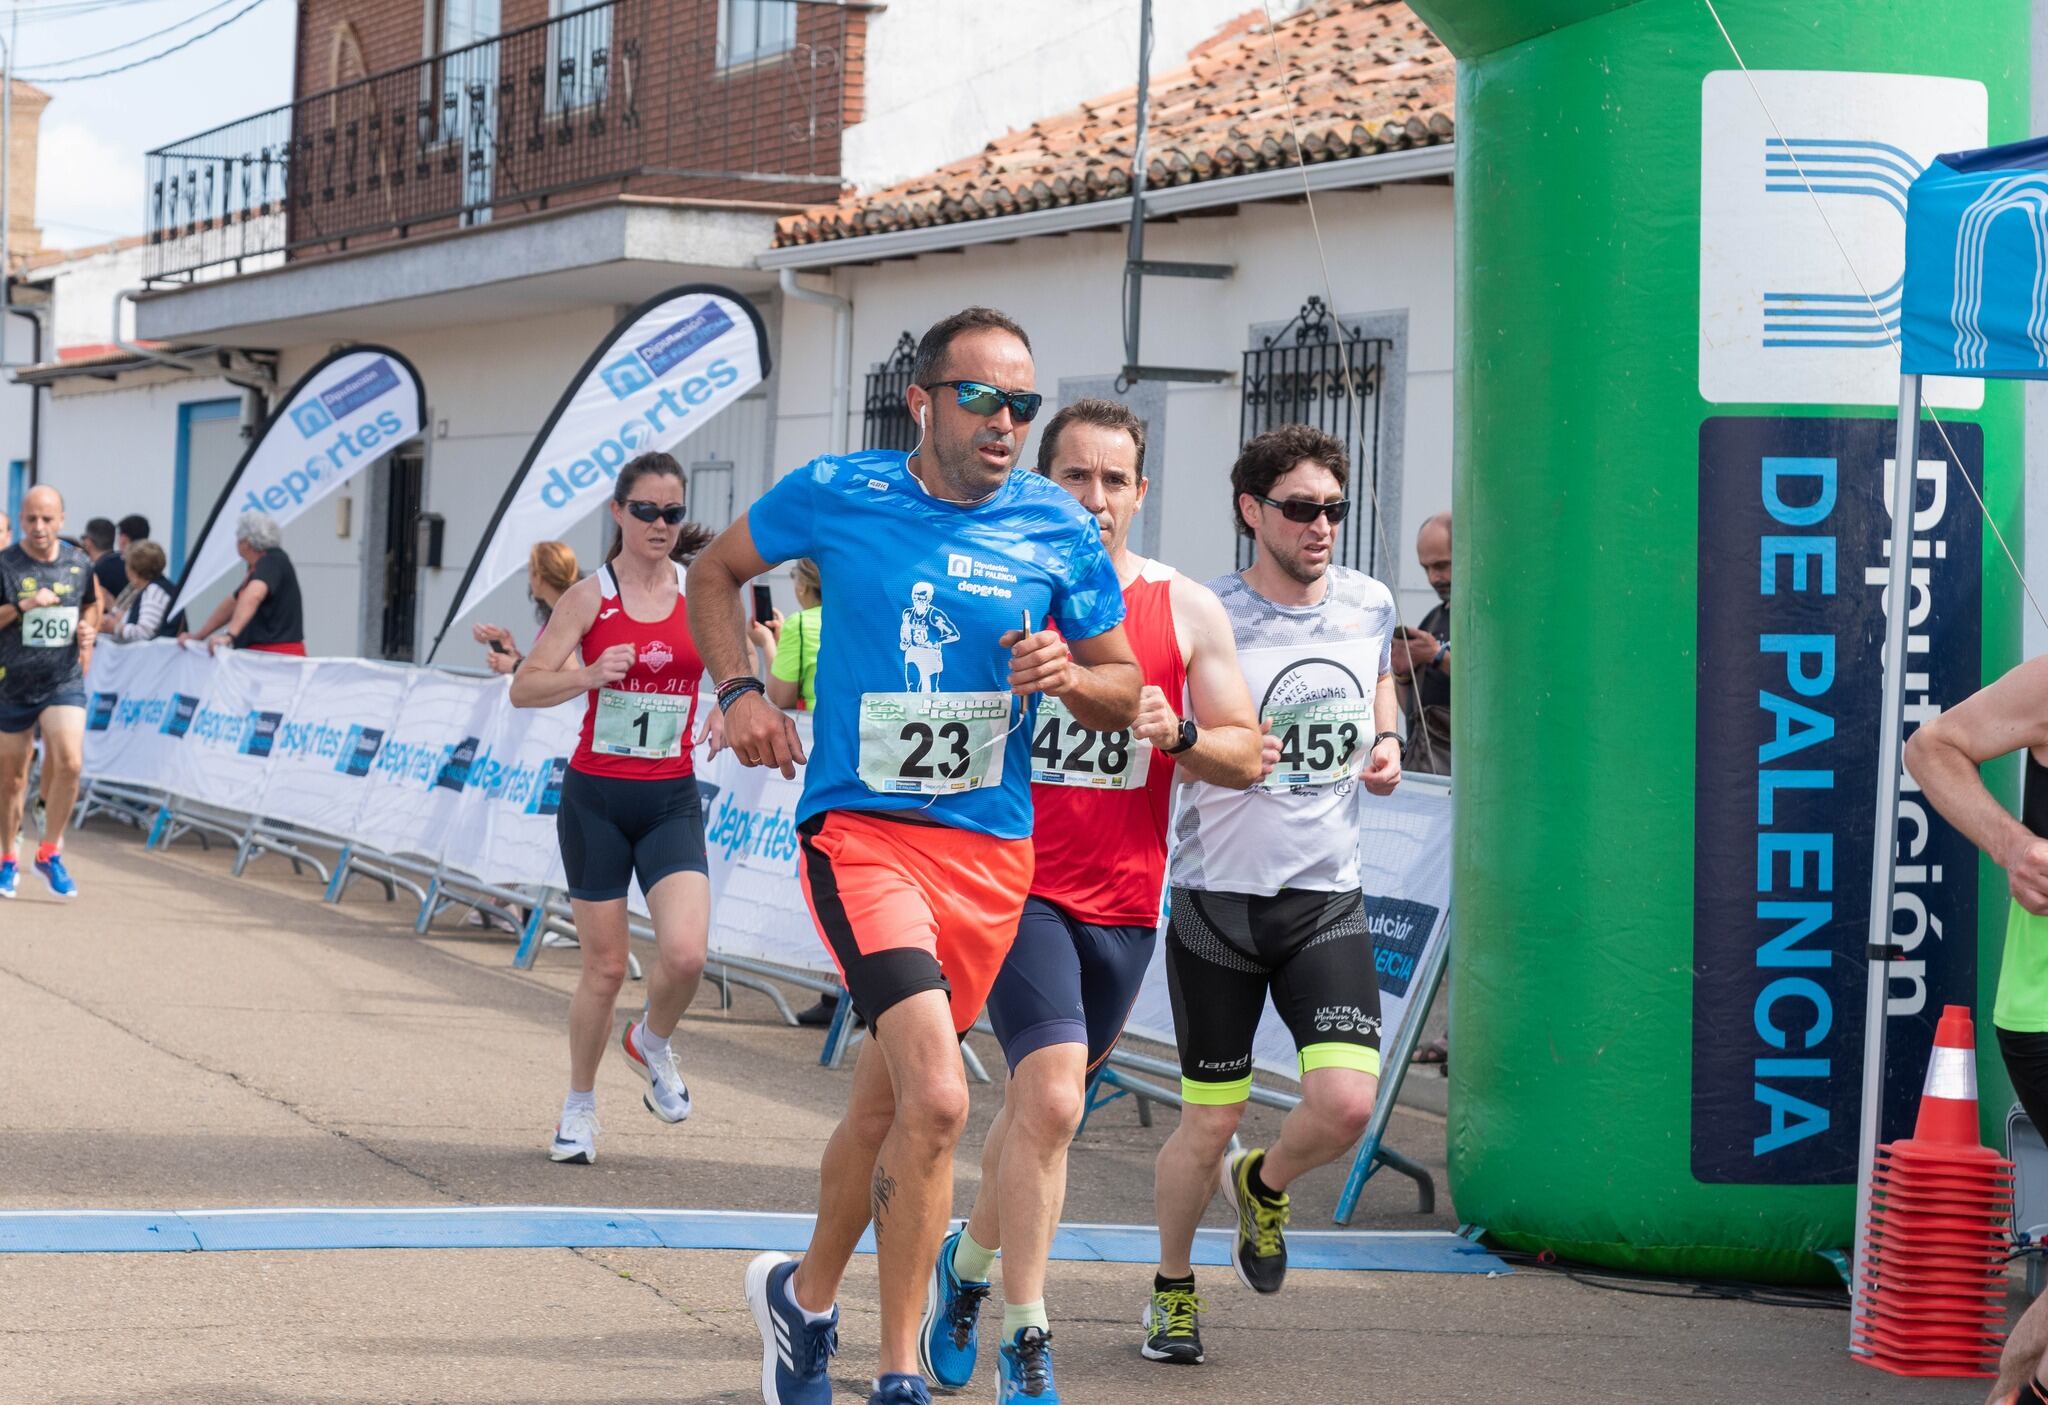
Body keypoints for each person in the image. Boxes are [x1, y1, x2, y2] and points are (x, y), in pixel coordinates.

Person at [689, 307, 1139, 1405]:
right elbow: (714, 572)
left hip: (988, 855)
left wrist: (1070, 677)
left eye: (1021, 405)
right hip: (861, 834)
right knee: (941, 1096)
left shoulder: (1056, 525)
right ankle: (895, 1372)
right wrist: (740, 691)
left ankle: (798, 1297)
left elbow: (1123, 685)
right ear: (923, 400)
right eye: (982, 398)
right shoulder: (837, 490)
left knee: (886, 1110)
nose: (1005, 424)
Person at [920, 399, 1266, 1400]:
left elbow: (1241, 752)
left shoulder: (1181, 609)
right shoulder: (992, 591)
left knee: (1042, 1115)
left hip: (1122, 906)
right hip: (1011, 884)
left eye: (1114, 480)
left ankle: (967, 1267)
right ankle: (1028, 1332)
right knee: (1056, 1095)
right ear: (1042, 480)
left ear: (1140, 493)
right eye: (1075, 476)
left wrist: (1177, 738)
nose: (1095, 498)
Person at [1142, 423, 1402, 1367]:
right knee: (1205, 1121)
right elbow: (1161, 731)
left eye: (1333, 506)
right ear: (1253, 511)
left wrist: (1389, 742)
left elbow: (1378, 683)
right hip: (1217, 901)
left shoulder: (1370, 601)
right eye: (1300, 508)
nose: (1321, 524)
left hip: (1324, 897)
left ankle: (1266, 1180)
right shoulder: (1204, 613)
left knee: (1343, 1106)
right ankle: (1172, 1289)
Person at [510, 452, 719, 1165]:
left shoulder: (702, 592)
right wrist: (587, 673)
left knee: (687, 955)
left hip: (670, 798)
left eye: (672, 513)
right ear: (619, 513)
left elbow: (733, 666)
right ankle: (578, 1105)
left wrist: (729, 705)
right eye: (647, 512)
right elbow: (525, 686)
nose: (661, 525)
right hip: (597, 799)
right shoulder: (588, 598)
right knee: (605, 966)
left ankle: (651, 1040)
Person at [0, 485, 100, 899]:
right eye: (31, 519)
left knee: (71, 763)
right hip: (12, 682)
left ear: (61, 520)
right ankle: (8, 857)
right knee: (13, 777)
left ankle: (48, 852)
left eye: (47, 519)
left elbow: (93, 604)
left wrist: (89, 629)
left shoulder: (79, 562)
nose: (39, 527)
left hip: (62, 679)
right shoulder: (5, 564)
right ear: (21, 520)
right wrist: (22, 607)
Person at [179, 512, 306, 656]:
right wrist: (199, 636)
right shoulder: (262, 565)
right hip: (265, 655)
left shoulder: (271, 561)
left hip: (273, 656)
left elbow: (253, 595)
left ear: (247, 543)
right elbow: (235, 601)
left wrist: (229, 635)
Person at [1392, 510, 1451, 777]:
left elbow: (1494, 685)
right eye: (1425, 568)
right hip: (1427, 771)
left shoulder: (1491, 622)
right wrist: (1403, 674)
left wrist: (1437, 656)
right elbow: (1412, 711)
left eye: (1441, 565)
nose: (1433, 578)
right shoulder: (1435, 617)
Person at [475, 540, 578, 674]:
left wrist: (515, 665)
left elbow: (559, 675)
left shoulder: (566, 619)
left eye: (530, 571)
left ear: (538, 577)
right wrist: (514, 655)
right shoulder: (562, 614)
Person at [106, 541, 174, 643]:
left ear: (134, 569)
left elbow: (144, 633)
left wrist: (116, 628)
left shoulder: (153, 592)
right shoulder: (153, 588)